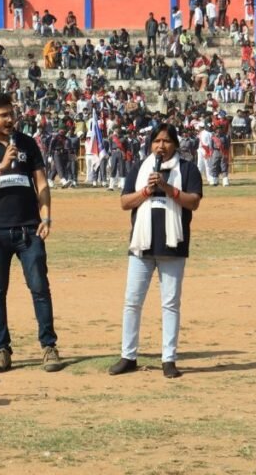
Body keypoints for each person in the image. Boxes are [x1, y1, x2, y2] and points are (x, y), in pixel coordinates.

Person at [0, 94, 62, 373]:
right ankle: (1, 351)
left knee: (40, 288)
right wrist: (0, 168)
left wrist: (47, 217)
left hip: (29, 231)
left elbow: (41, 183)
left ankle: (49, 347)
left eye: (11, 114)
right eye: (3, 115)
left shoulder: (27, 143)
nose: (9, 120)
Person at [108, 124, 203, 379]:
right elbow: (124, 202)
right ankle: (128, 356)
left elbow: (193, 201)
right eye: (157, 141)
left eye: (167, 141)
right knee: (132, 301)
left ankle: (168, 359)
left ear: (176, 144)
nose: (161, 146)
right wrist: (147, 190)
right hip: (141, 246)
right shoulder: (140, 169)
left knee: (170, 303)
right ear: (150, 145)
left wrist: (167, 187)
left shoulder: (187, 169)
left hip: (173, 246)